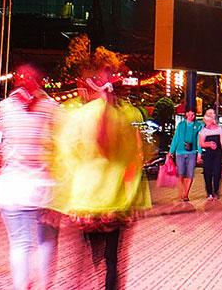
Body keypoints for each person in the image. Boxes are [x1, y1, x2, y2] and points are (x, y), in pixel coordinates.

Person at [52, 68, 150, 290]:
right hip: (114, 201)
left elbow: (65, 156)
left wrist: (64, 196)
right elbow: (133, 161)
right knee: (113, 259)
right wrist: (135, 198)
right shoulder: (124, 119)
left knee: (87, 258)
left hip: (85, 201)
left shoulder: (78, 116)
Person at [0, 64, 60, 290]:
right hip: (42, 187)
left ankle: (21, 286)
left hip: (12, 186)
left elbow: (1, 151)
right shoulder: (51, 108)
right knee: (47, 240)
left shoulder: (2, 108)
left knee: (19, 243)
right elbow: (61, 147)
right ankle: (42, 286)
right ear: (40, 81)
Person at [167, 109, 202, 203]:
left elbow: (199, 140)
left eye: (193, 114)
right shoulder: (181, 125)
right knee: (181, 173)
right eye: (190, 114)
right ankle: (182, 190)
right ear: (186, 114)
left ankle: (186, 194)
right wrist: (170, 152)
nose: (191, 116)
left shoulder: (198, 125)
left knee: (190, 173)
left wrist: (200, 153)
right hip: (180, 152)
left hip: (192, 152)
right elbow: (176, 138)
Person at [198, 108, 222, 200]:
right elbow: (201, 143)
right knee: (207, 173)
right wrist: (209, 144)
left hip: (217, 154)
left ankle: (216, 191)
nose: (209, 121)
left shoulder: (220, 129)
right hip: (208, 154)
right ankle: (209, 192)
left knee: (217, 173)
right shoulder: (203, 131)